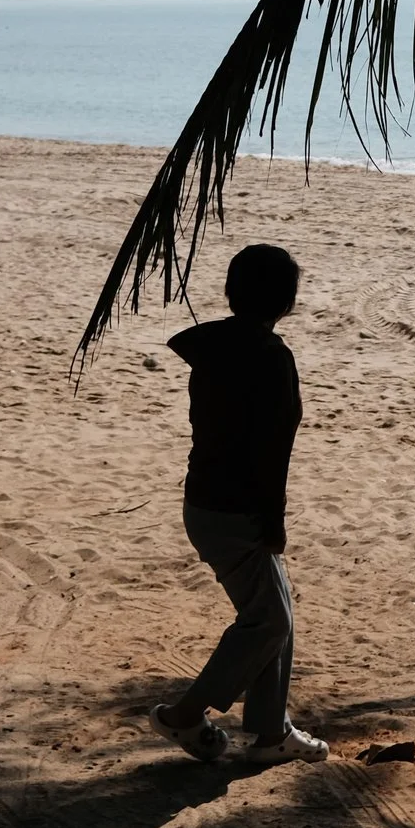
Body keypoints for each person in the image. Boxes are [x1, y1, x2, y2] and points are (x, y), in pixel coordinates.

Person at [149, 243, 330, 765]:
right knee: (268, 621)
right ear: (288, 302)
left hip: (206, 502)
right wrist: (273, 521)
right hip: (236, 510)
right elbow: (274, 450)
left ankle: (272, 732)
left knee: (274, 612)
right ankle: (184, 716)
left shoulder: (215, 346)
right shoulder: (270, 358)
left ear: (231, 293)